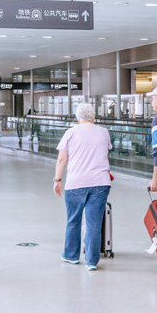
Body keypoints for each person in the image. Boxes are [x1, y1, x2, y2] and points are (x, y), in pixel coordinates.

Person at [53, 103, 112, 271]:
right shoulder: (103, 132)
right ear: (94, 117)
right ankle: (91, 261)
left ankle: (71, 255)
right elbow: (105, 152)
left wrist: (57, 180)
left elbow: (62, 159)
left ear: (77, 118)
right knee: (94, 223)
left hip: (76, 183)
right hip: (100, 182)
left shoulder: (71, 132)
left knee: (73, 220)